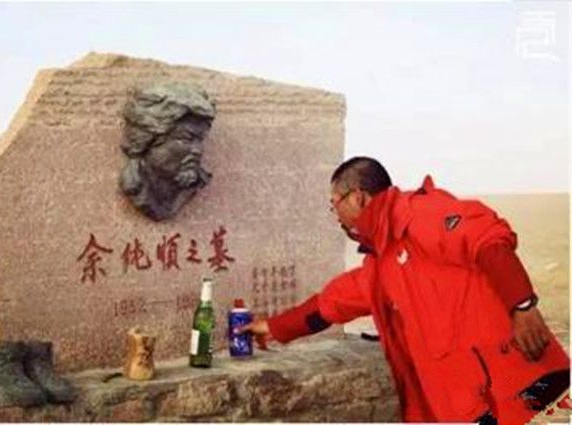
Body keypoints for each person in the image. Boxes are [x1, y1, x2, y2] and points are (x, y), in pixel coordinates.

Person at [238, 157, 569, 424]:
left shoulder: (421, 214)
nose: (334, 215)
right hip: (468, 403)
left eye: (334, 203)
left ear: (358, 197)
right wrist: (273, 327)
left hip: (518, 383)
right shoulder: (381, 264)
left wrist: (522, 306)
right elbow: (330, 304)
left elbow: (488, 240)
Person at [119, 82, 216, 221]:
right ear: (149, 140)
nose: (198, 150)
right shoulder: (134, 184)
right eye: (186, 139)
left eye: (200, 140)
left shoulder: (196, 180)